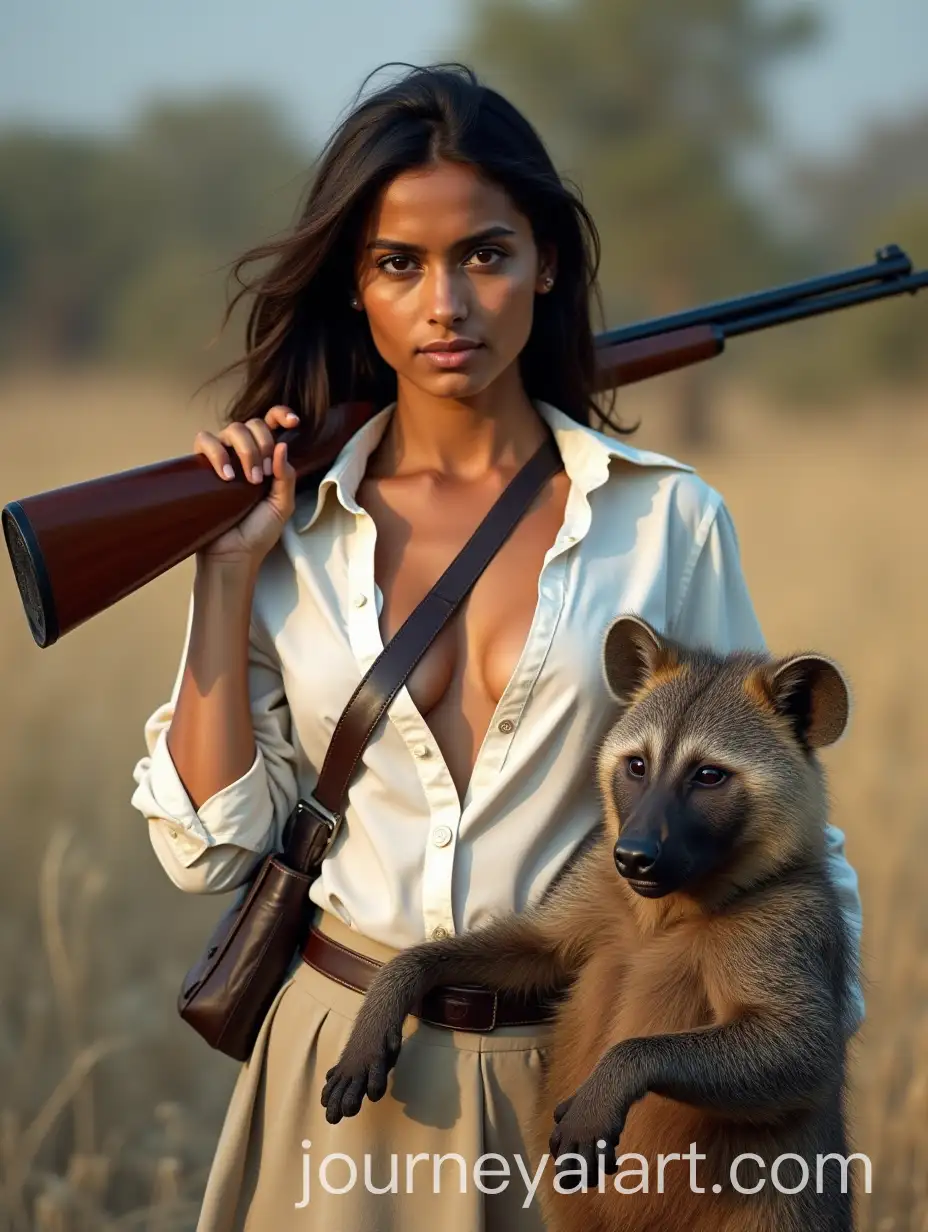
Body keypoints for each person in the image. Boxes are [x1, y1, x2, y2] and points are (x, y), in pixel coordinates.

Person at [130, 62, 864, 1231]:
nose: (446, 305)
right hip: (345, 1067)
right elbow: (207, 854)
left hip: (591, 1087)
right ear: (354, 288)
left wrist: (790, 1102)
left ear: (547, 262)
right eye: (397, 263)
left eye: (485, 253)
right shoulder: (287, 527)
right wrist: (224, 572)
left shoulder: (664, 517)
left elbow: (783, 829)